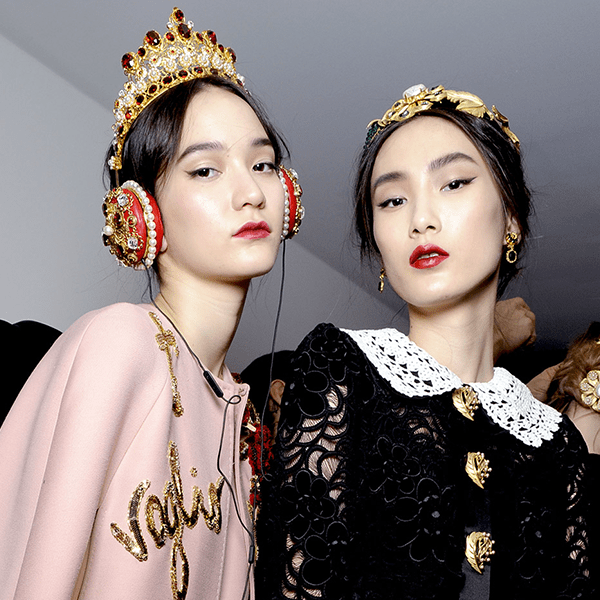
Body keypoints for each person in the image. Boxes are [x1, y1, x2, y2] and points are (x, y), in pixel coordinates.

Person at [0, 8, 303, 600]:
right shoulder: (121, 343)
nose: (250, 192)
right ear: (141, 215)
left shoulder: (245, 421)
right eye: (206, 170)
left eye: (263, 164)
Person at [257, 85, 594, 599]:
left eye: (453, 183)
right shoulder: (340, 369)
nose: (420, 220)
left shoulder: (557, 443)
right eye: (393, 200)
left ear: (511, 216)